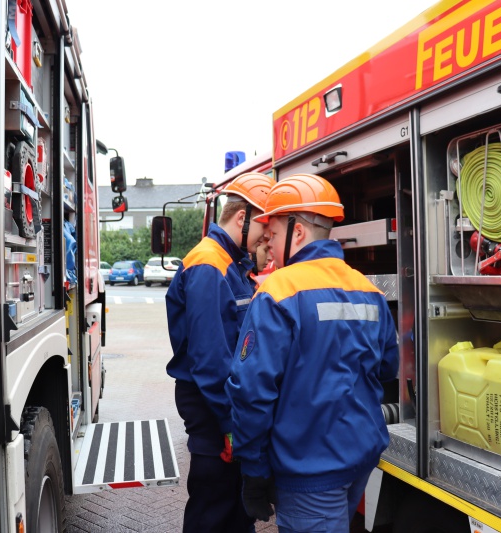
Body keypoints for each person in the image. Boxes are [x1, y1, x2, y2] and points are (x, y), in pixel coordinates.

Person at [226, 173, 399, 531]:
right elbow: (387, 367)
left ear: (298, 232)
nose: (267, 246)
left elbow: (251, 392)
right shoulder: (367, 289)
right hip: (359, 459)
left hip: (309, 469)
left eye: (272, 236)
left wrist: (254, 471)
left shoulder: (278, 290)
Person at [165, 172, 275, 532]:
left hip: (224, 413)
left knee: (234, 513)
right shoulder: (209, 266)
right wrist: (230, 426)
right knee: (213, 513)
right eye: (264, 228)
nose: (267, 239)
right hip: (215, 417)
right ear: (242, 218)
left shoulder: (231, 264)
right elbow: (211, 361)